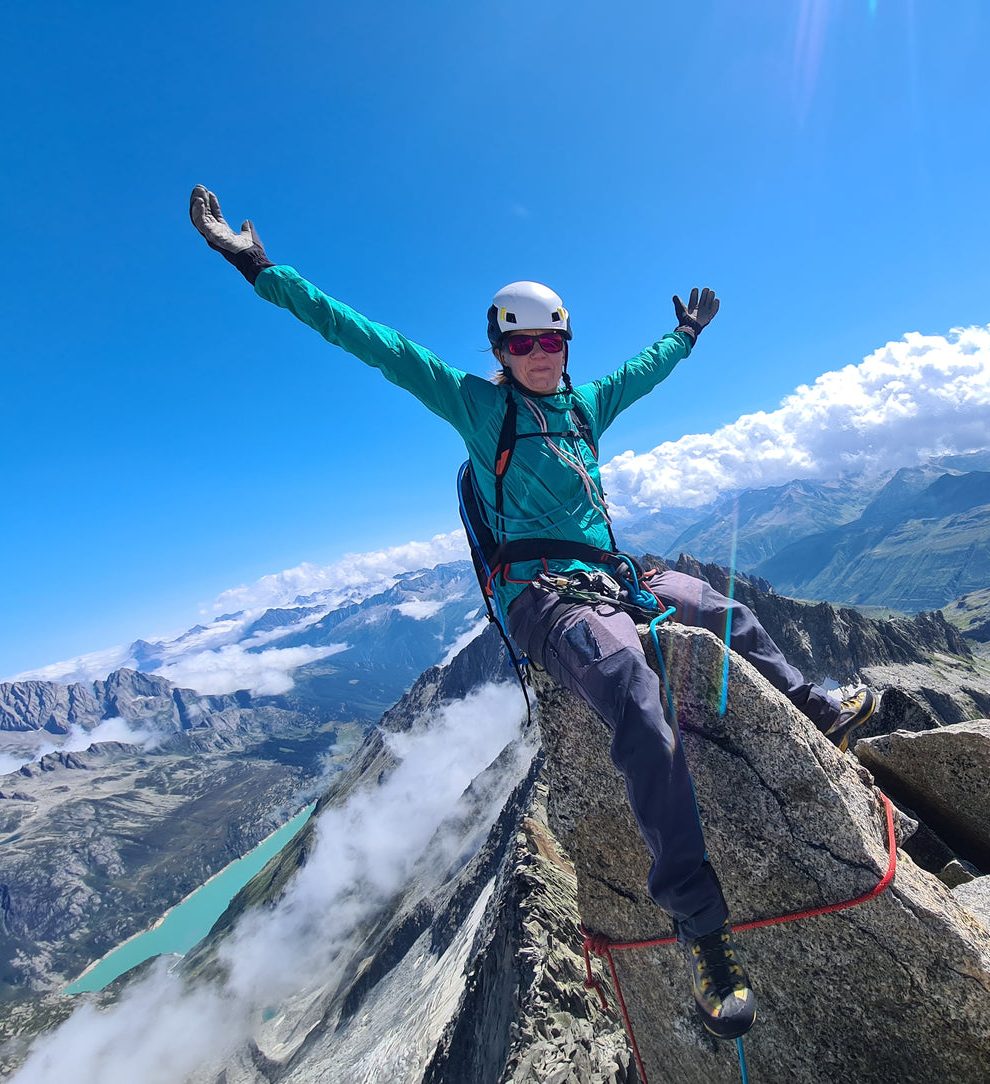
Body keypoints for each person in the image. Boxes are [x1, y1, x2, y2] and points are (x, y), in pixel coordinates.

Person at [188, 186, 879, 1040]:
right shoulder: (481, 409)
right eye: (522, 343)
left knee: (714, 604)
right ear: (500, 350)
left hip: (609, 576)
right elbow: (372, 341)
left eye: (551, 339)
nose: (540, 353)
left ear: (564, 342)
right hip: (540, 597)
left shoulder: (583, 408)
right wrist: (259, 268)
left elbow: (642, 371)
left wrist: (686, 336)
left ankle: (815, 711)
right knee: (634, 692)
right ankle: (701, 929)